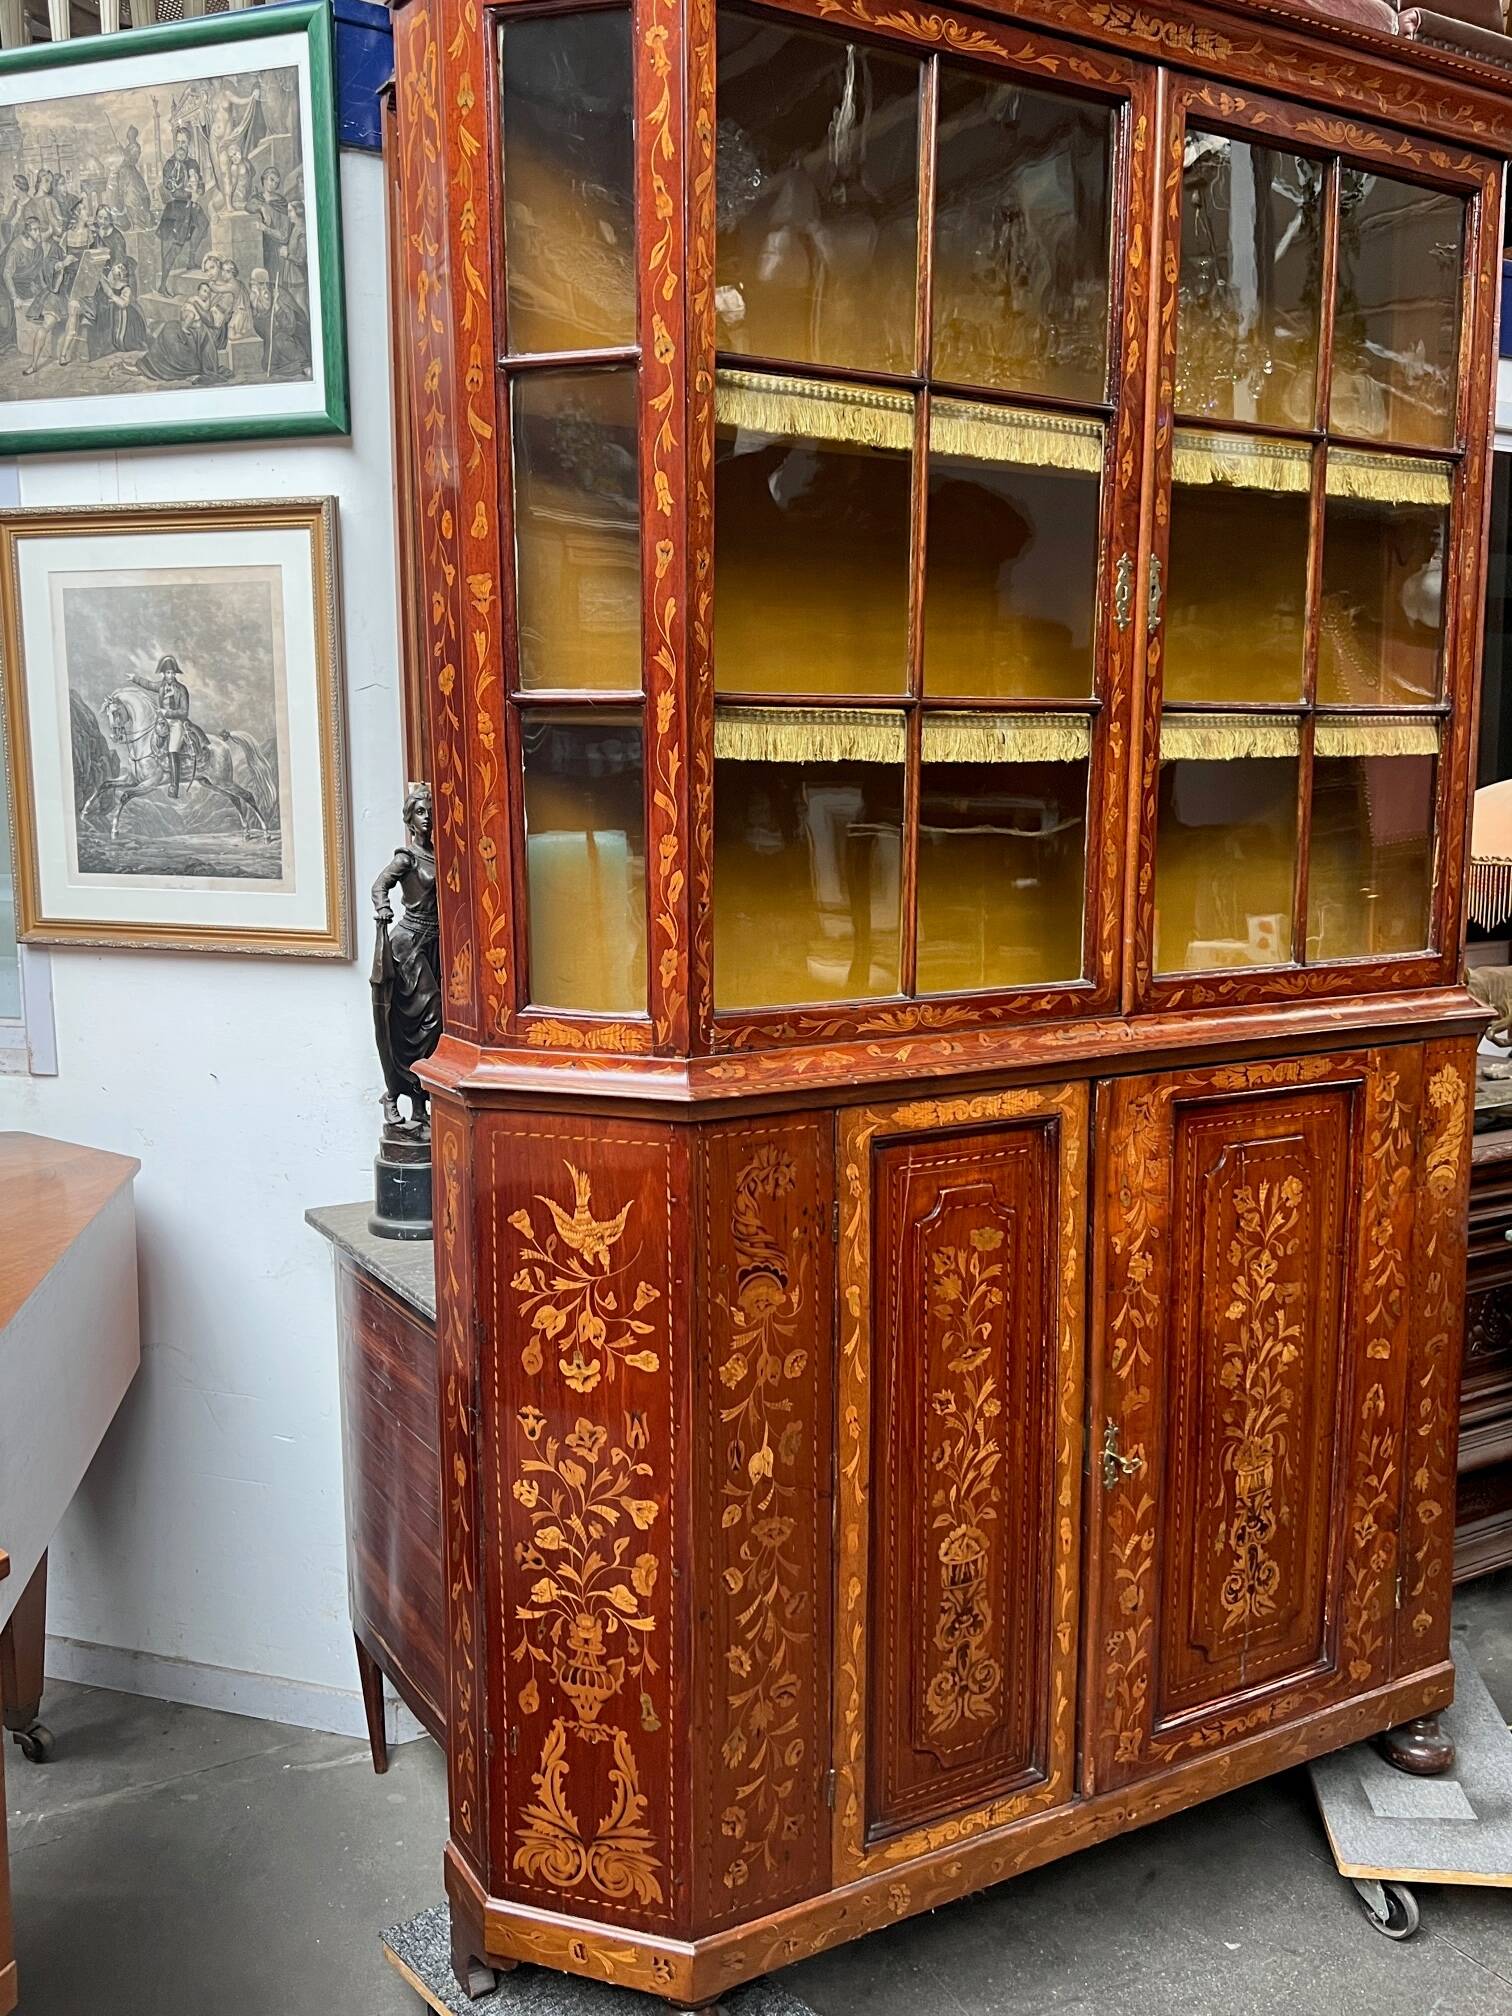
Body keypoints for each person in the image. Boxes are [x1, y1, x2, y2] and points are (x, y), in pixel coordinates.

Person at [370, 784, 441, 1133]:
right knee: (430, 1012)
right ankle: (393, 1092)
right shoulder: (407, 858)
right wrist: (382, 908)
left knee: (430, 1028)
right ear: (410, 820)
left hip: (434, 943)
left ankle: (417, 1102)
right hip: (408, 943)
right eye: (420, 812)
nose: (427, 818)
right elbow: (379, 886)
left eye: (430, 811)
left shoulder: (441, 856)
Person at [131, 279, 229, 385]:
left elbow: (210, 320)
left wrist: (197, 305)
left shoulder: (223, 296)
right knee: (169, 328)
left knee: (172, 338)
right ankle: (149, 363)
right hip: (194, 325)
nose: (207, 293)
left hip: (204, 331)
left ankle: (173, 369)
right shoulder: (205, 296)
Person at [130, 655, 192, 798]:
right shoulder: (162, 686)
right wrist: (135, 678)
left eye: (171, 673)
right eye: (167, 673)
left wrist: (167, 712)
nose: (169, 675)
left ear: (174, 674)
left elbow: (184, 712)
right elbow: (149, 684)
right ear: (163, 674)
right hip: (162, 723)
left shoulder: (182, 690)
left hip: (176, 723)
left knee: (172, 749)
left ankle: (174, 786)